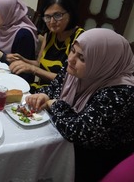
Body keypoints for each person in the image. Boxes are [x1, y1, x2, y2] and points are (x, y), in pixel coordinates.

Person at [25, 28, 134, 182]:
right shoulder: (74, 68)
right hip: (62, 143)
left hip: (93, 162)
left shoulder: (121, 93)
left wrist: (54, 104)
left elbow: (79, 132)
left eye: (82, 57)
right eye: (72, 51)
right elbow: (54, 88)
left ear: (103, 62)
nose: (71, 59)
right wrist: (44, 95)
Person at [8, 0, 84, 92]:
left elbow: (69, 80)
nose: (52, 21)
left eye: (57, 15)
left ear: (70, 14)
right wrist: (22, 59)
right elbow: (39, 63)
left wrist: (32, 69)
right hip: (40, 88)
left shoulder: (80, 39)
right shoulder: (49, 35)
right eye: (48, 17)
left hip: (59, 93)